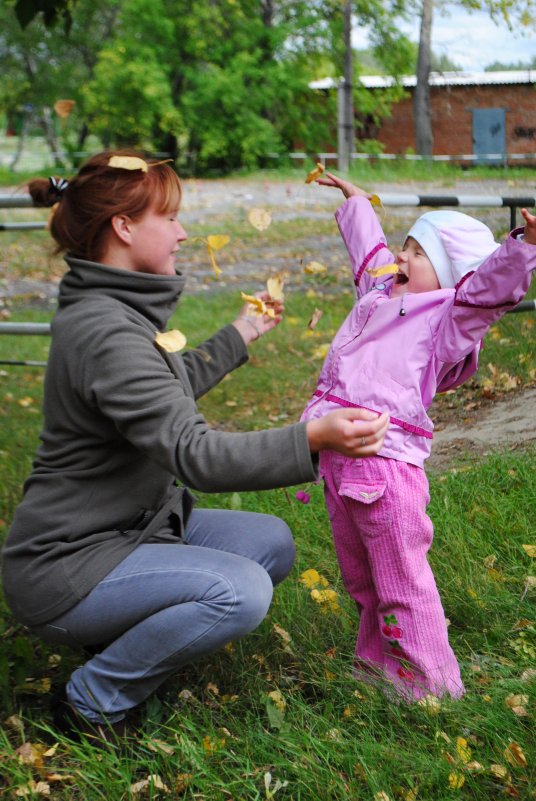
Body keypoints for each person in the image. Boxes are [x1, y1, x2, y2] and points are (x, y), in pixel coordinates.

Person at [1, 152, 389, 743]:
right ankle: (94, 698)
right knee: (240, 590)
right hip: (67, 566)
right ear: (124, 227)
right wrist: (313, 437)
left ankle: (123, 630)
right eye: (170, 216)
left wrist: (241, 333)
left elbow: (160, 388)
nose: (183, 232)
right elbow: (196, 455)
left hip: (123, 532)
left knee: (270, 543)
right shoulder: (106, 331)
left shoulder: (110, 311)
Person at [302, 171, 536, 701]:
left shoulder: (447, 320)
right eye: (405, 246)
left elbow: (489, 290)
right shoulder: (382, 294)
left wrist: (524, 248)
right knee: (362, 580)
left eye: (418, 252)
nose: (401, 259)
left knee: (401, 581)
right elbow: (370, 253)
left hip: (386, 467)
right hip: (340, 458)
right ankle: (378, 666)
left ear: (454, 275)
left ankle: (430, 686)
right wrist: (358, 203)